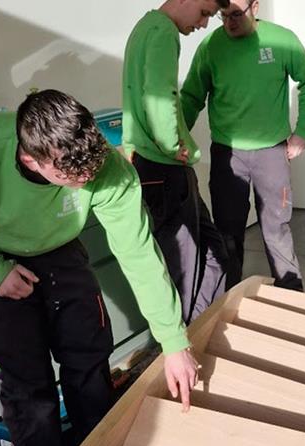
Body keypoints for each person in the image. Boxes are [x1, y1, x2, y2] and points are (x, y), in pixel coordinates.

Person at [0, 90, 201, 446]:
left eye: (93, 171)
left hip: (61, 249)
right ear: (31, 160)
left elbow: (139, 253)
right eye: (74, 177)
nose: (89, 180)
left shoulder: (107, 167)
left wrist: (174, 342)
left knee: (89, 357)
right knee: (26, 382)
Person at [180, 0, 305, 291]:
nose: (229, 23)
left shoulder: (281, 40)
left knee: (276, 227)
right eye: (223, 16)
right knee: (227, 231)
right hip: (227, 155)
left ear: (255, 7)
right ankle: (230, 297)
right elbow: (192, 97)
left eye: (236, 14)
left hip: (272, 153)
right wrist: (178, 138)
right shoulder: (211, 47)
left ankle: (290, 296)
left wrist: (302, 132)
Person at [122, 0, 231, 323]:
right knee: (183, 266)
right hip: (164, 168)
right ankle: (185, 339)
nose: (204, 24)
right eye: (204, 13)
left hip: (154, 165)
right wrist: (172, 144)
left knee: (212, 253)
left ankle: (206, 325)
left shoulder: (146, 26)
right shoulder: (163, 32)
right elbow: (159, 93)